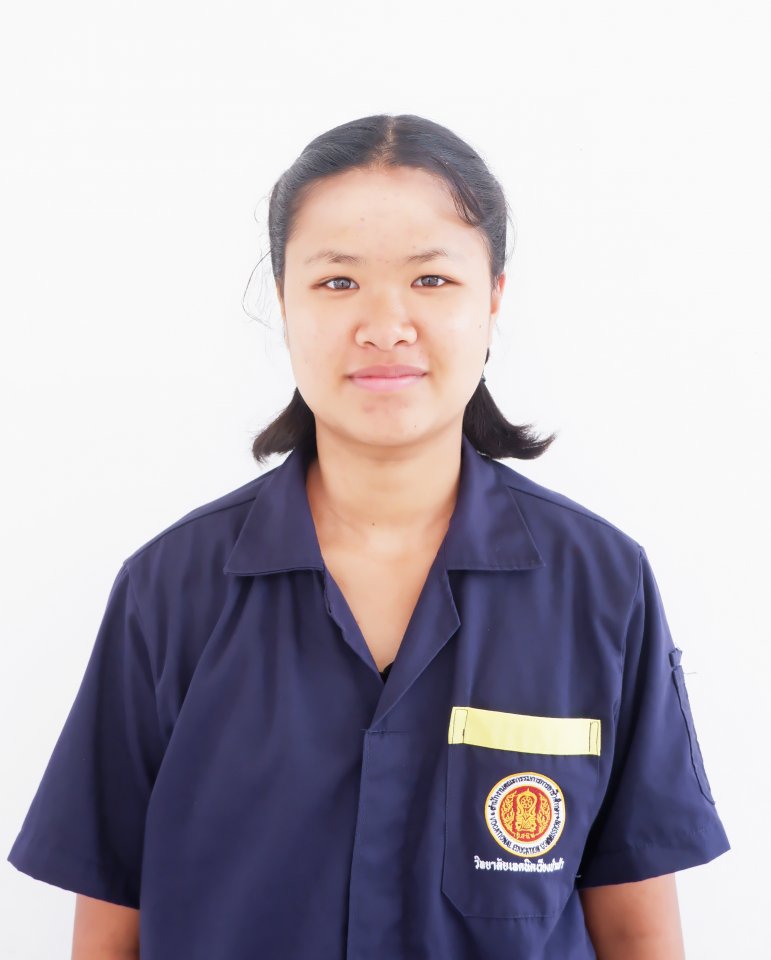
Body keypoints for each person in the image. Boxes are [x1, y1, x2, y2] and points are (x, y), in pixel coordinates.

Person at [7, 113, 730, 960]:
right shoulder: (169, 592)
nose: (385, 324)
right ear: (284, 302)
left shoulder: (599, 585)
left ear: (493, 297)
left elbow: (637, 932)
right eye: (338, 281)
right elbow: (106, 936)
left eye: (431, 279)